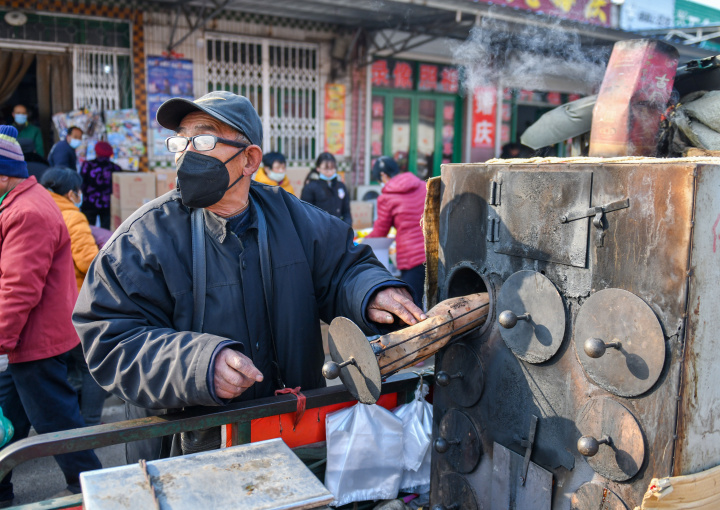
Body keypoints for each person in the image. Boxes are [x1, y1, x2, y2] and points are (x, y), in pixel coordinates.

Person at [72, 91, 426, 462]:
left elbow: (345, 268)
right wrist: (198, 364)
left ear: (249, 159)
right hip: (187, 452)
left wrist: (371, 293)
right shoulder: (142, 240)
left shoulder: (294, 218)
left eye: (204, 139)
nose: (186, 153)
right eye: (181, 141)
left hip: (292, 435)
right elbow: (109, 337)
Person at [0, 126, 102, 506]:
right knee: (15, 416)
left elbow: (18, 288)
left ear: (5, 173)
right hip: (26, 338)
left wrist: (1, 341)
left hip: (34, 339)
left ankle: (92, 488)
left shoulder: (27, 211)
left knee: (58, 423)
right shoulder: (20, 203)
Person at [367, 156, 427, 309]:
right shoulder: (423, 185)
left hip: (412, 258)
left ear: (382, 176)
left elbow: (380, 231)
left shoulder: (387, 197)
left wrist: (361, 244)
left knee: (413, 306)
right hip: (435, 252)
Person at [300, 152, 352, 225]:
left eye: (332, 168)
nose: (330, 172)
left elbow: (346, 212)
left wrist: (346, 227)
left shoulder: (341, 186)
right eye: (326, 169)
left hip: (338, 228)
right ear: (318, 168)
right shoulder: (310, 187)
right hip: (318, 230)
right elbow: (305, 213)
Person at [79, 141, 121, 229]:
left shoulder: (87, 165)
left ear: (96, 152)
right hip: (108, 204)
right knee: (106, 232)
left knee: (89, 230)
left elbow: (81, 184)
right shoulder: (115, 168)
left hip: (89, 203)